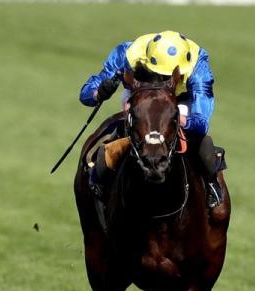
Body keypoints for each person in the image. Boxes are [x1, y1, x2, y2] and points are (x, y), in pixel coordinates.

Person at [80, 30, 226, 209]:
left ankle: (212, 184)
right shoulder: (127, 54)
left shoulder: (198, 66)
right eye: (159, 75)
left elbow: (202, 122)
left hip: (179, 100)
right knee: (126, 126)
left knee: (199, 140)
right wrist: (99, 92)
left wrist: (174, 117)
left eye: (166, 77)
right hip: (141, 94)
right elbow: (85, 95)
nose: (163, 81)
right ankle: (100, 183)